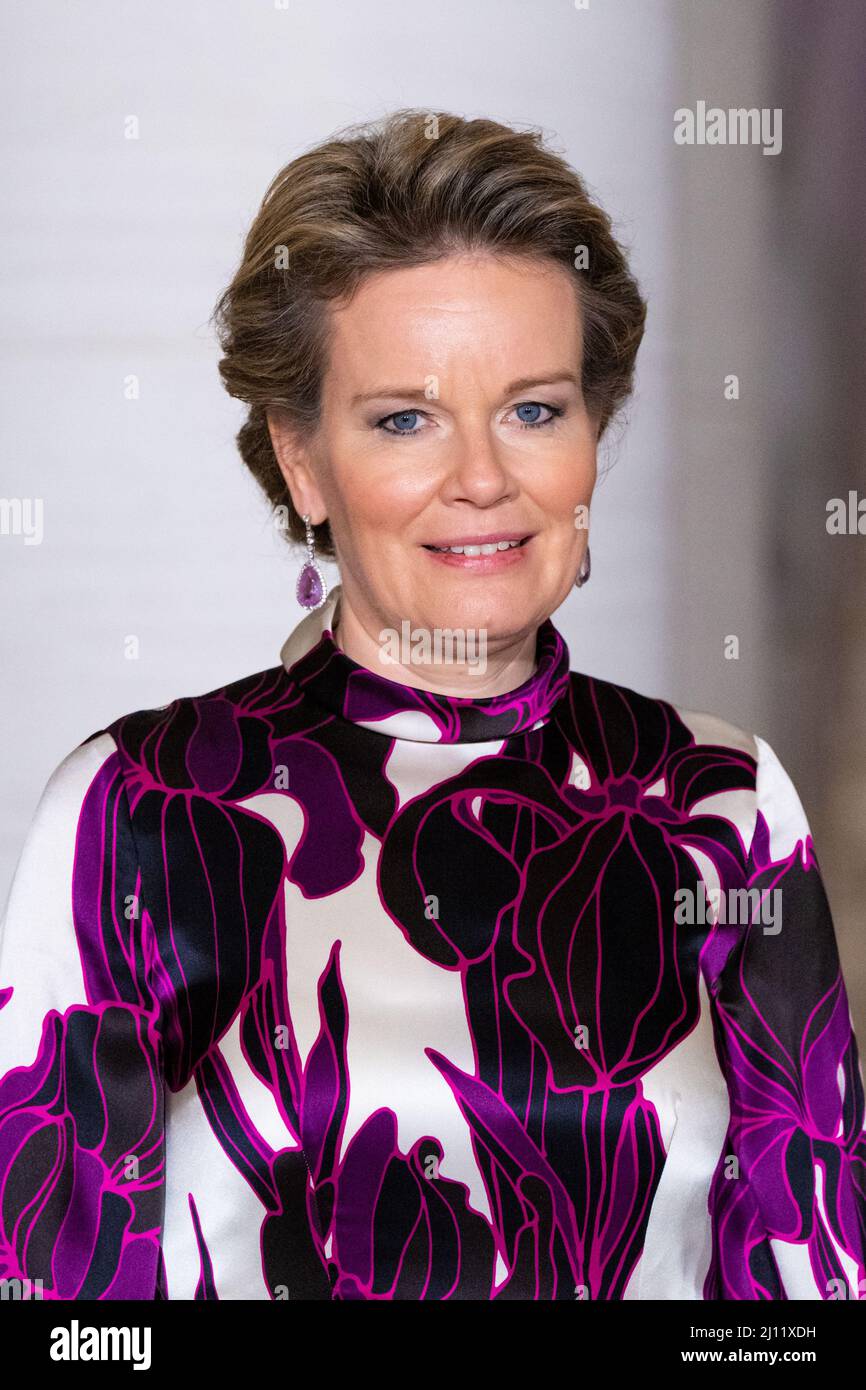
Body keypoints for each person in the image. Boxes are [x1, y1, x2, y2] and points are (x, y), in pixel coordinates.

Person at [1, 108, 864, 1301]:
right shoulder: (136, 807)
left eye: (533, 409)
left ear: (592, 438)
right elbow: (60, 1318)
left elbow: (810, 1289)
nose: (479, 476)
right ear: (300, 458)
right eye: (403, 417)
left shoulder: (720, 801)